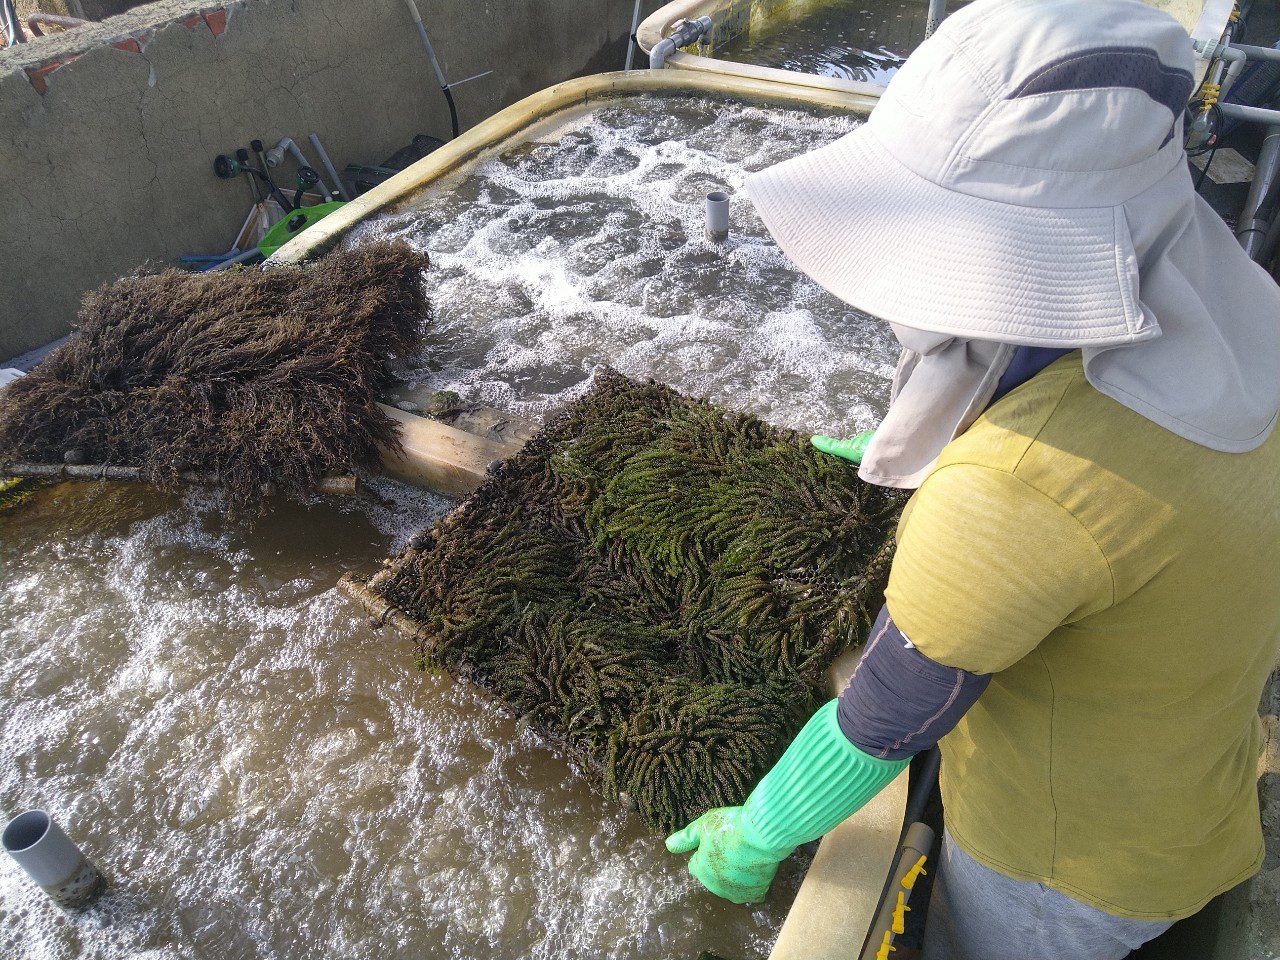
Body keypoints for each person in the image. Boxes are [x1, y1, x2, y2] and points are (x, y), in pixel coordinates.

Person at [662, 1, 1280, 958]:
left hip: (1065, 876)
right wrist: (918, 442)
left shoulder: (1013, 494)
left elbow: (884, 718)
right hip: (1195, 774)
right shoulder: (1246, 310)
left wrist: (758, 833)